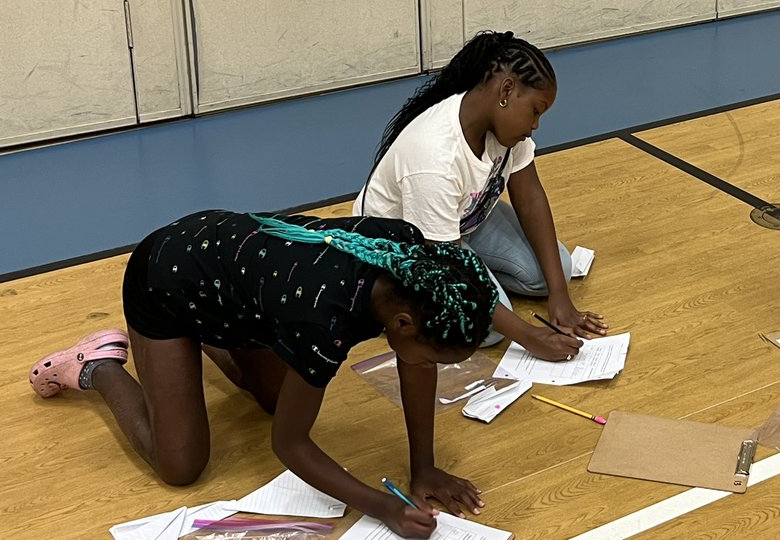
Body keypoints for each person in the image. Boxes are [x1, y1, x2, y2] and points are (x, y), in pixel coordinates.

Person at [28, 210, 500, 538]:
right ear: (401, 324)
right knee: (181, 466)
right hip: (165, 278)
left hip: (234, 282)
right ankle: (97, 365)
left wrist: (423, 468)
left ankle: (198, 338)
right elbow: (289, 445)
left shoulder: (415, 268)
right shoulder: (324, 318)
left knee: (277, 398)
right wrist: (386, 509)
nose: (426, 369)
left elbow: (412, 363)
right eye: (432, 358)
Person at [356, 30, 606, 361]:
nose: (535, 126)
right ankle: (442, 284)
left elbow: (529, 197)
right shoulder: (433, 157)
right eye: (535, 111)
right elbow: (443, 263)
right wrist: (530, 337)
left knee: (558, 268)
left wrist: (561, 297)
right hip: (407, 243)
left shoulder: (506, 131)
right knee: (479, 329)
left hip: (462, 223)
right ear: (506, 91)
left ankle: (482, 269)